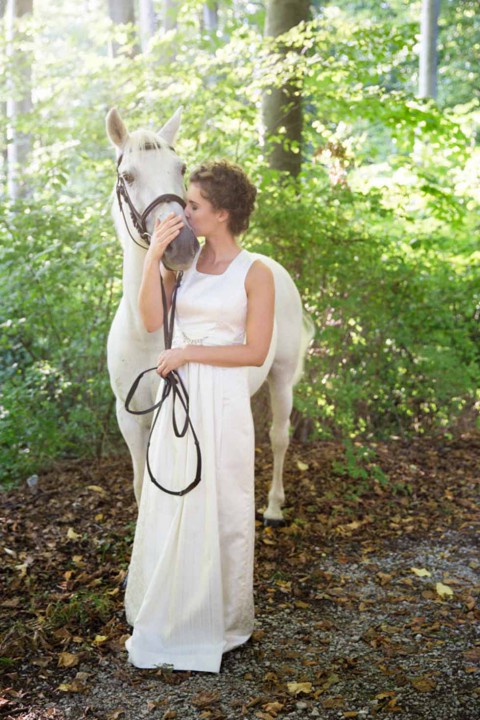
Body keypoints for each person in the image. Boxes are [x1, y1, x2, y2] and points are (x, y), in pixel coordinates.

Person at [124, 160, 275, 673]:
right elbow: (150, 319)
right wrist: (153, 261)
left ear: (223, 214)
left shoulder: (257, 272)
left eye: (192, 206)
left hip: (224, 400)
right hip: (181, 401)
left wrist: (188, 355)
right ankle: (170, 609)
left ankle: (223, 618)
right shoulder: (182, 263)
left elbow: (254, 351)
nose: (182, 212)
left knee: (223, 504)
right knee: (174, 500)